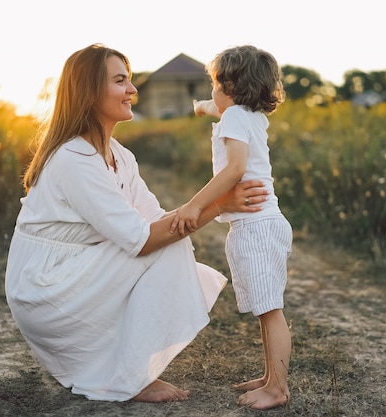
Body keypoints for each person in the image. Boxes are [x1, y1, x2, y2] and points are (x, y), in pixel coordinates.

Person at [4, 43, 268, 403]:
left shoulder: (121, 156)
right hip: (47, 286)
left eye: (129, 80)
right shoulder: (73, 158)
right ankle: (131, 377)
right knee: (165, 245)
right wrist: (219, 203)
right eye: (120, 81)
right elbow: (143, 240)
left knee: (172, 241)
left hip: (78, 271)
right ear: (88, 91)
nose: (133, 90)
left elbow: (156, 221)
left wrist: (208, 208)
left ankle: (131, 367)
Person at [170, 45, 293, 410]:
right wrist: (201, 107)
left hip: (255, 226)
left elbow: (235, 168)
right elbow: (215, 108)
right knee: (264, 307)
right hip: (264, 223)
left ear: (230, 86)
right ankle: (271, 376)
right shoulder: (249, 114)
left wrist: (196, 204)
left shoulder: (236, 117)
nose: (211, 92)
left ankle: (278, 388)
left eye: (213, 84)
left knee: (270, 311)